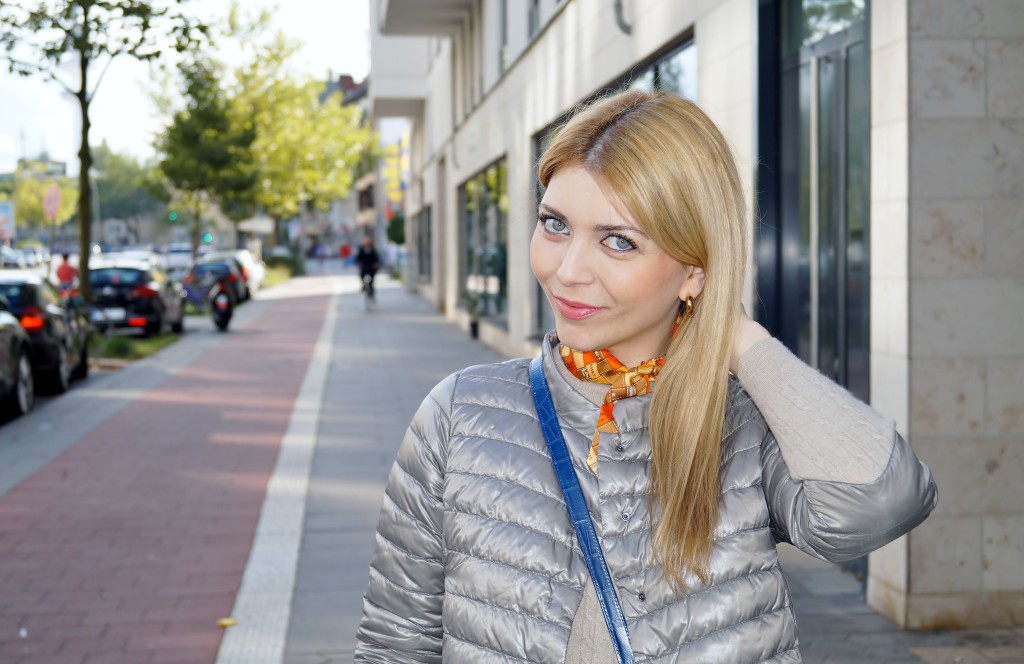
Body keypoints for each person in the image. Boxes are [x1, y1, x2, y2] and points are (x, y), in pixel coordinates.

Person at [354, 91, 937, 662]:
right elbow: (393, 645)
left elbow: (880, 504)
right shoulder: (461, 414)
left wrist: (737, 337)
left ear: (694, 269)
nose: (568, 270)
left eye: (618, 241)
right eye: (555, 224)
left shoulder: (744, 421)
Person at [355, 235, 380, 299]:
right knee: (362, 275)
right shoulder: (361, 248)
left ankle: (371, 290)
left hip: (371, 266)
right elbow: (358, 257)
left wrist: (376, 263)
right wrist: (358, 263)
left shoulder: (372, 248)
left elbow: (376, 257)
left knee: (372, 278)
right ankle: (364, 285)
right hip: (364, 265)